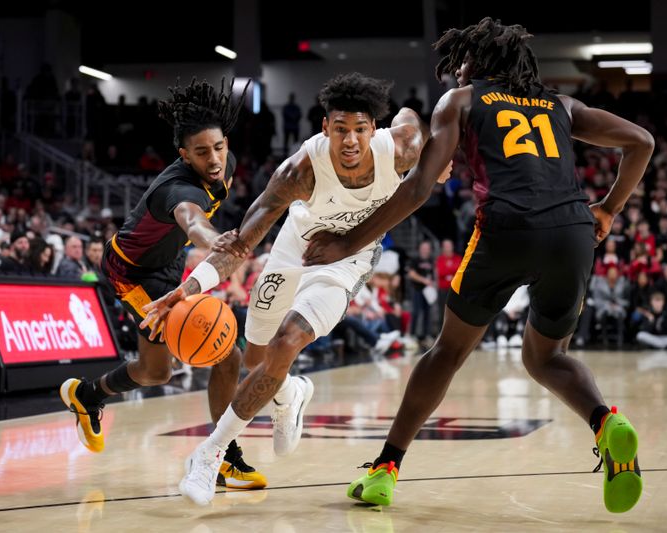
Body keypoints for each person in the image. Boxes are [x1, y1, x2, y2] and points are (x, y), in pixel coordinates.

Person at [302, 17, 652, 513]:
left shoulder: (462, 101)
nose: (457, 70)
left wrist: (348, 241)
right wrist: (610, 209)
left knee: (446, 352)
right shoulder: (562, 105)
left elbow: (420, 187)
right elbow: (642, 141)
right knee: (546, 358)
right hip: (573, 233)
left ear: (477, 64)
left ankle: (385, 469)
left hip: (506, 229)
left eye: (463, 61)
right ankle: (606, 422)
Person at [141, 73, 447, 506]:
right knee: (258, 359)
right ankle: (290, 394)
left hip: (346, 262)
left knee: (289, 341)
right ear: (325, 128)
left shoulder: (399, 149)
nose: (350, 141)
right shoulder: (298, 172)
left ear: (374, 130)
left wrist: (438, 157)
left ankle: (208, 455)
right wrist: (188, 289)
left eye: (360, 129)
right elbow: (241, 245)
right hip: (295, 248)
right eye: (340, 129)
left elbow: (413, 118)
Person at [58, 78, 267, 491]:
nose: (214, 159)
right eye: (202, 152)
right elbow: (192, 218)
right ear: (183, 154)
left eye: (219, 147)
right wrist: (213, 240)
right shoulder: (175, 189)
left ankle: (90, 396)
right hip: (130, 272)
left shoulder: (225, 163)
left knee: (196, 363)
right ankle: (223, 457)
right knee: (174, 368)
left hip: (168, 264)